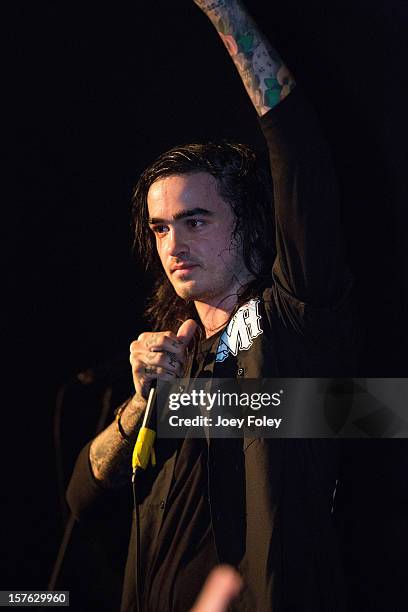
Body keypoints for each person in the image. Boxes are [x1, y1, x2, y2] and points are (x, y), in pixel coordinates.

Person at [67, 1, 358, 610]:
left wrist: (224, 10)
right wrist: (143, 405)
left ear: (250, 225)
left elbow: (297, 150)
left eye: (194, 220)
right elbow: (82, 496)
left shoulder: (282, 321)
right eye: (160, 227)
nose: (174, 244)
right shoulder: (175, 356)